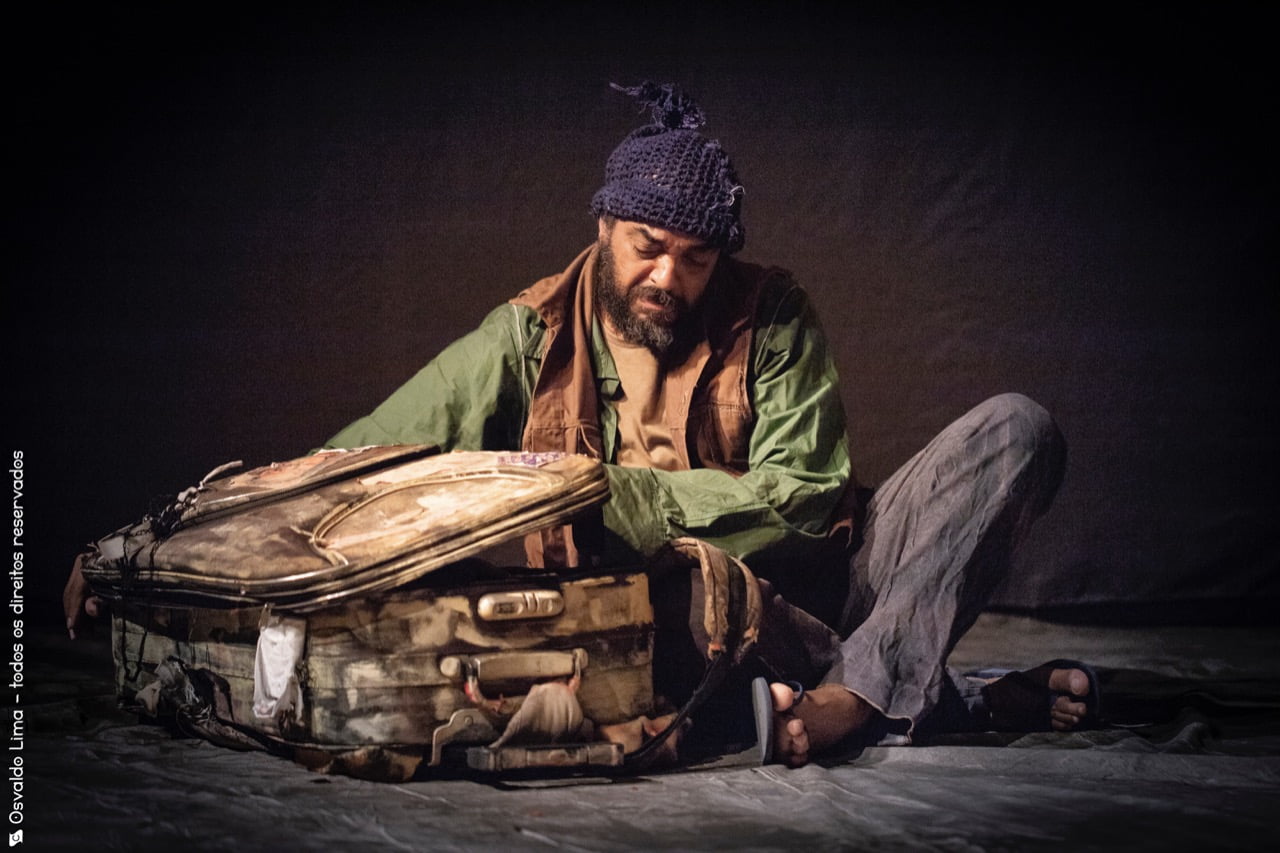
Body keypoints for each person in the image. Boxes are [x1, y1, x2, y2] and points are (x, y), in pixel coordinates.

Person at [65, 81, 1095, 767]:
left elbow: (802, 497)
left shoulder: (769, 312)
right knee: (598, 611)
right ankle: (933, 694)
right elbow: (354, 460)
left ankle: (853, 704)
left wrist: (608, 496)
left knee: (1013, 427)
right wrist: (140, 550)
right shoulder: (526, 332)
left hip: (830, 578)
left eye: (696, 258)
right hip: (686, 628)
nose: (669, 276)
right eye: (648, 246)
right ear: (602, 227)